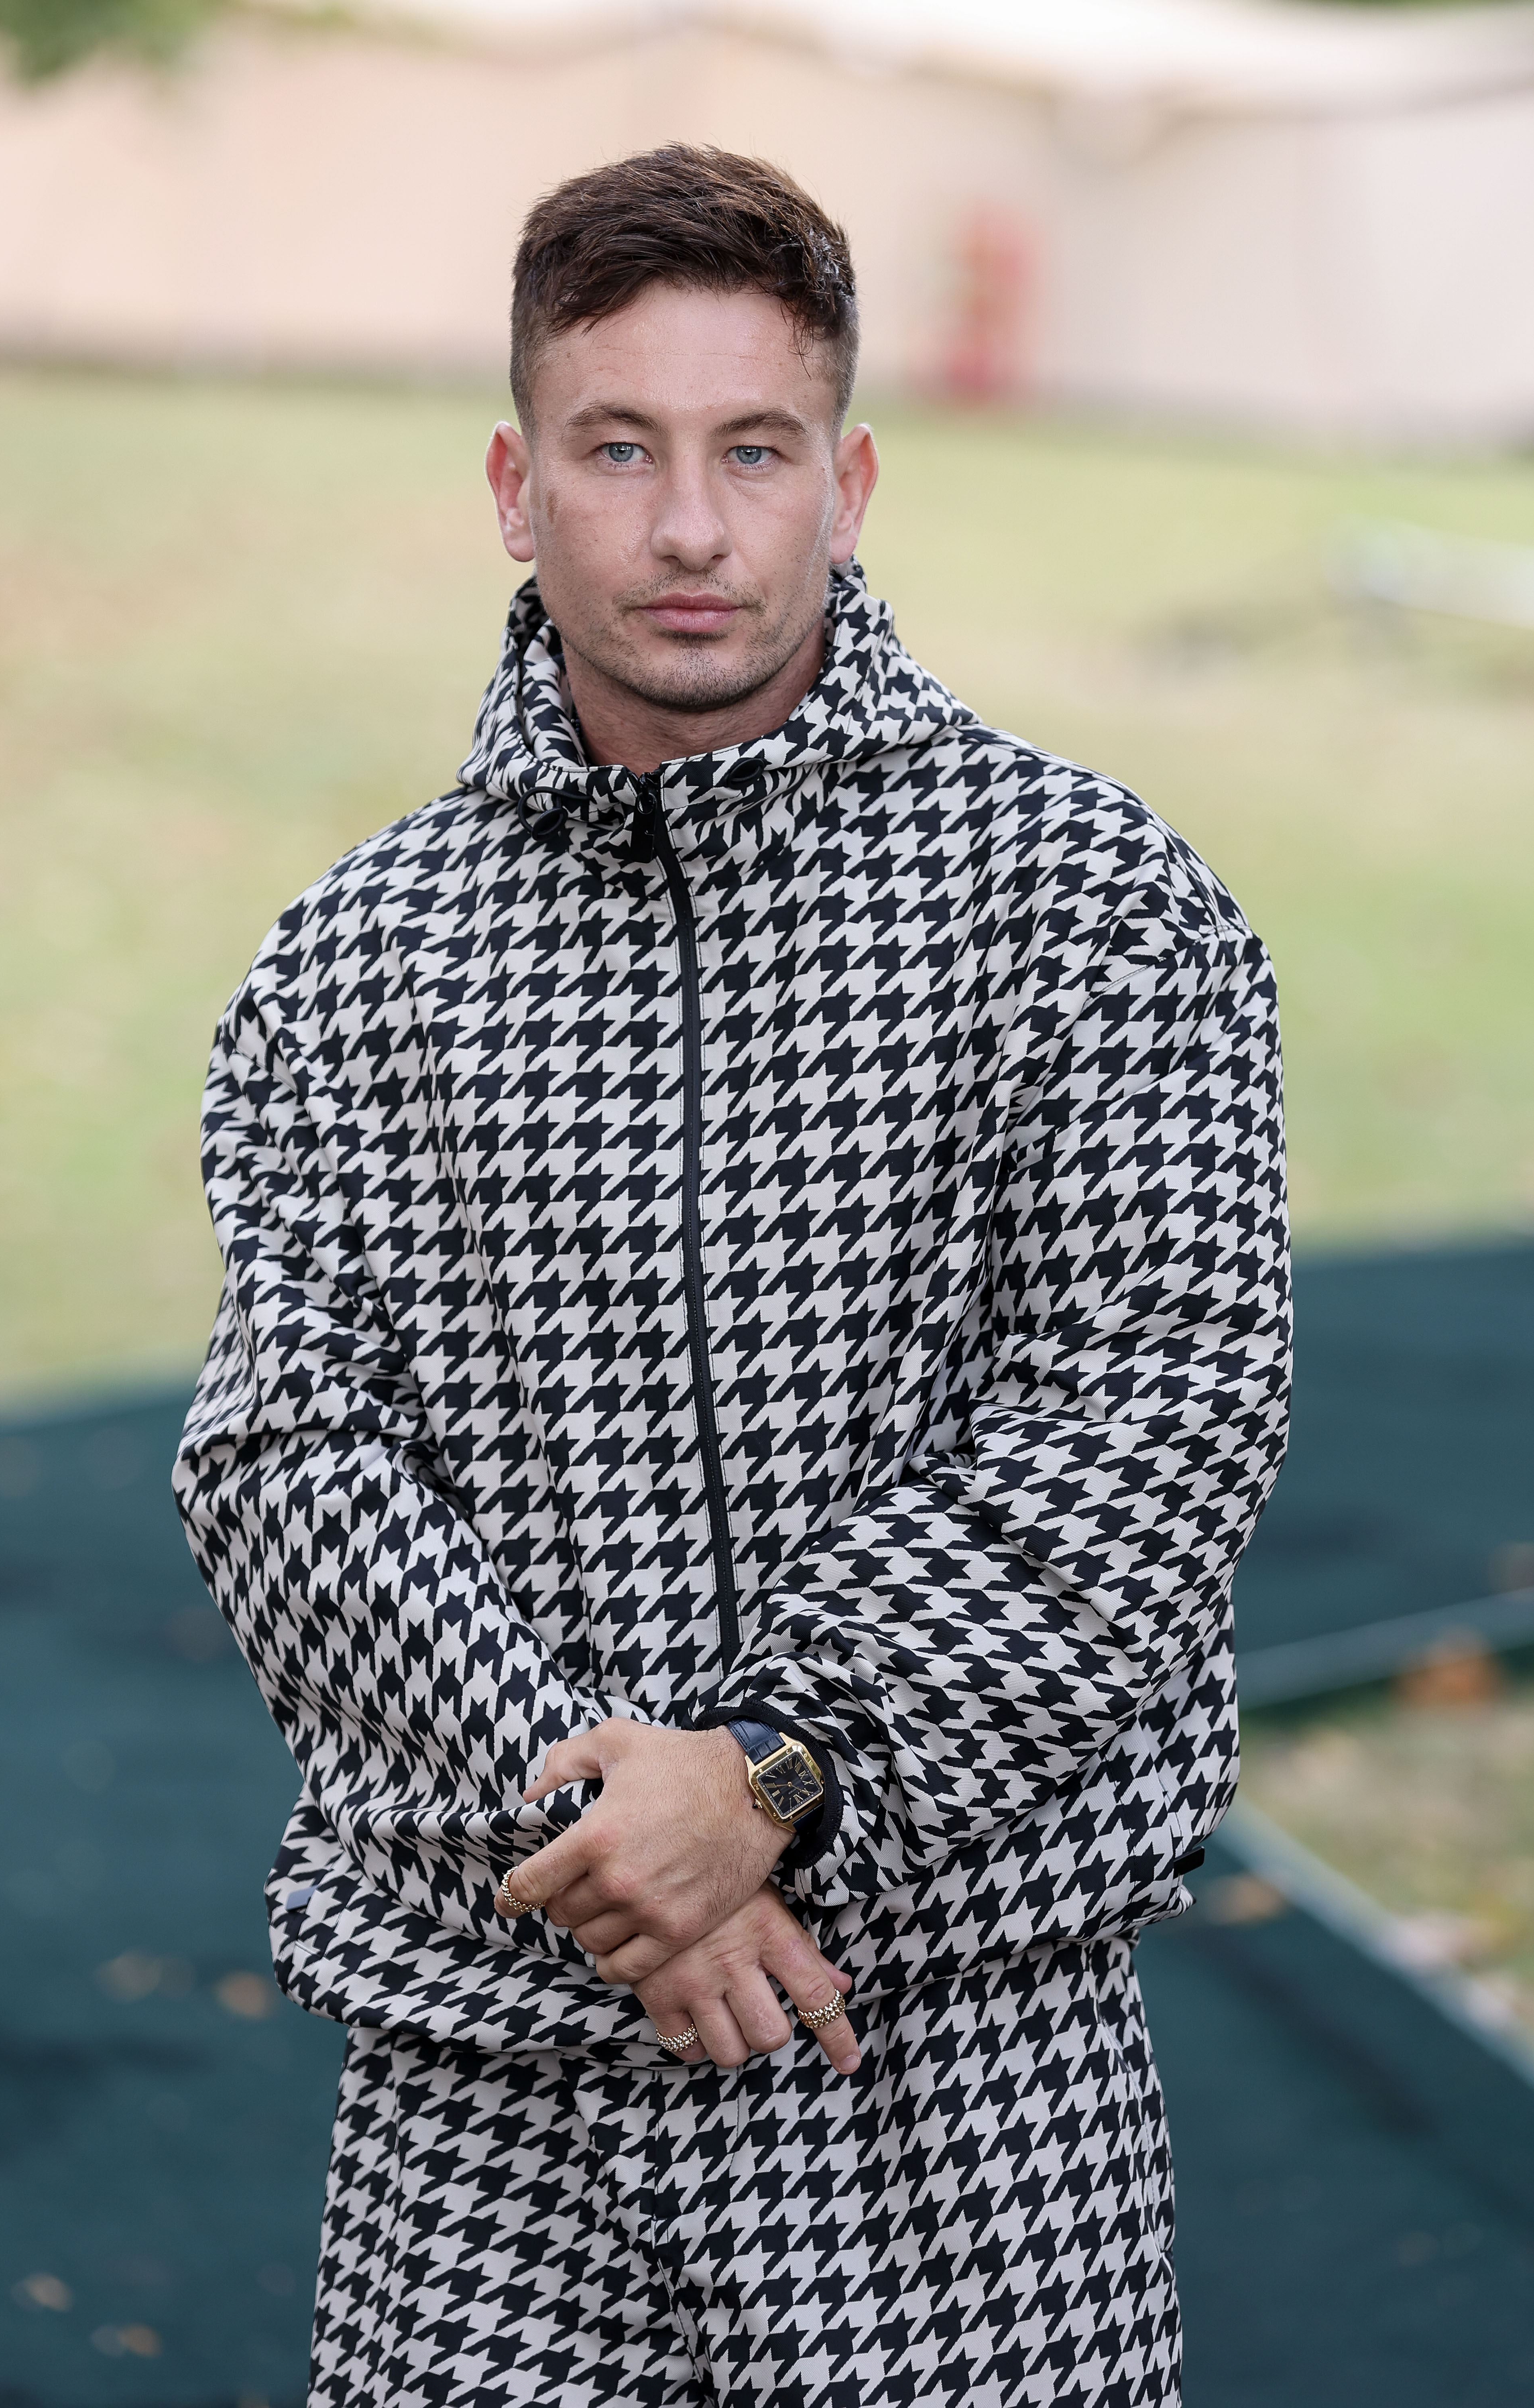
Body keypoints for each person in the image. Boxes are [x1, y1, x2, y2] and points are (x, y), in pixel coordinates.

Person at [175, 144, 1290, 2408]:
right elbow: (287, 1462)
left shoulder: (1084, 904)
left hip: (966, 2068)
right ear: (516, 486)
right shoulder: (359, 962)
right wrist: (631, 1841)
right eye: (619, 449)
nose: (688, 528)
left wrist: (780, 1765)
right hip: (490, 2094)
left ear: (847, 480)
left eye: (750, 450)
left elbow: (1155, 1415)